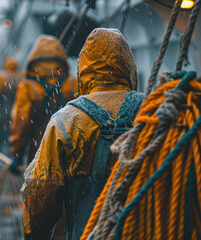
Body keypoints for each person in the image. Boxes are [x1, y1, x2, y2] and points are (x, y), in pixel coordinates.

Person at [21, 28, 144, 240]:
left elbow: (38, 196)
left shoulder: (65, 121)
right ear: (129, 68)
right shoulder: (154, 110)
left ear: (83, 70)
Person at [9, 35, 77, 173]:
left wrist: (17, 155)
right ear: (61, 59)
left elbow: (21, 124)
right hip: (71, 157)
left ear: (33, 59)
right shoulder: (73, 83)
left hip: (40, 156)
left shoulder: (27, 87)